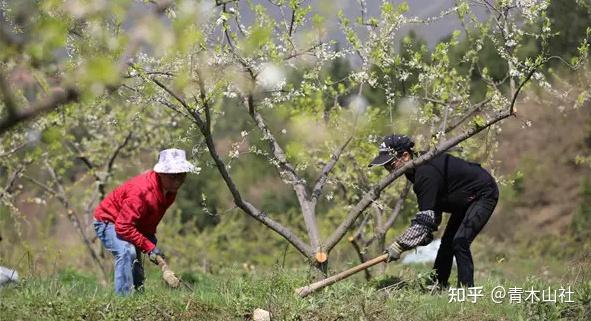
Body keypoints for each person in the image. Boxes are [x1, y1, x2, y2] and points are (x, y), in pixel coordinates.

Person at [369, 135, 499, 288]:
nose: (389, 171)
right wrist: (422, 236)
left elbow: (425, 221)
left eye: (390, 165)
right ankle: (438, 284)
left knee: (460, 241)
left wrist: (399, 245)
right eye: (386, 167)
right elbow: (431, 209)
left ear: (405, 156)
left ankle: (466, 291)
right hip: (461, 199)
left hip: (482, 194)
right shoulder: (414, 170)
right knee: (447, 243)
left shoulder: (425, 172)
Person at [93, 148, 195, 295]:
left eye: (182, 175)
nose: (178, 180)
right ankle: (123, 304)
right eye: (173, 176)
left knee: (136, 260)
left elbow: (150, 216)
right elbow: (123, 227)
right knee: (127, 252)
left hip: (131, 223)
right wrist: (148, 245)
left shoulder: (170, 191)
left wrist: (150, 244)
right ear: (161, 173)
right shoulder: (141, 192)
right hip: (109, 221)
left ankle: (139, 298)